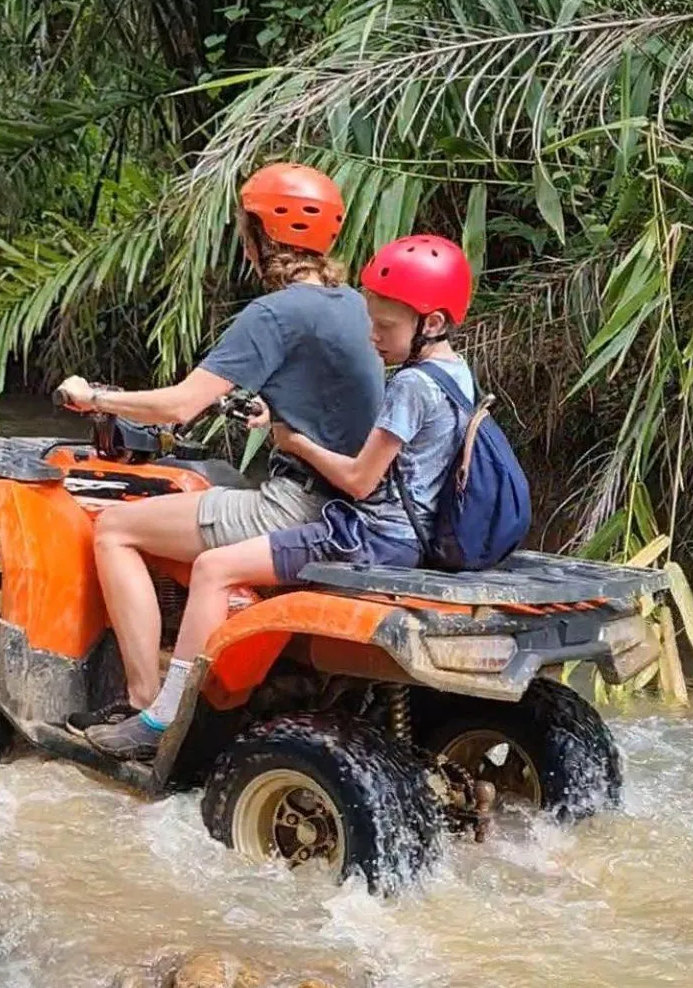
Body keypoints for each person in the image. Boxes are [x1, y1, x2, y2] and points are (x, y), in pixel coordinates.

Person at [87, 233, 479, 760]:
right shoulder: (454, 374)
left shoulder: (408, 384)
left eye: (384, 327)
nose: (372, 337)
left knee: (205, 565)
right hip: (405, 531)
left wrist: (294, 442)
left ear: (430, 324)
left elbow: (360, 482)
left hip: (367, 534)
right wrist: (283, 414)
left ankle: (159, 717)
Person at [54, 163, 383, 732]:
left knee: (115, 529)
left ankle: (141, 703)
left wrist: (95, 398)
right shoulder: (354, 304)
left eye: (245, 230)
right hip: (353, 505)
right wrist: (280, 413)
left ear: (262, 235)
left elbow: (180, 406)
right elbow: (341, 394)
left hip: (298, 505)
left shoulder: (275, 313)